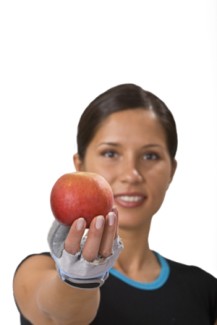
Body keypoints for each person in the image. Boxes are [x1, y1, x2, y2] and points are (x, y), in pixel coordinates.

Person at [13, 83, 217, 325]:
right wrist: (77, 281)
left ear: (171, 171)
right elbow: (60, 315)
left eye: (150, 155)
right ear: (80, 166)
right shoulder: (36, 272)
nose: (131, 174)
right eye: (110, 153)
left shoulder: (204, 289)